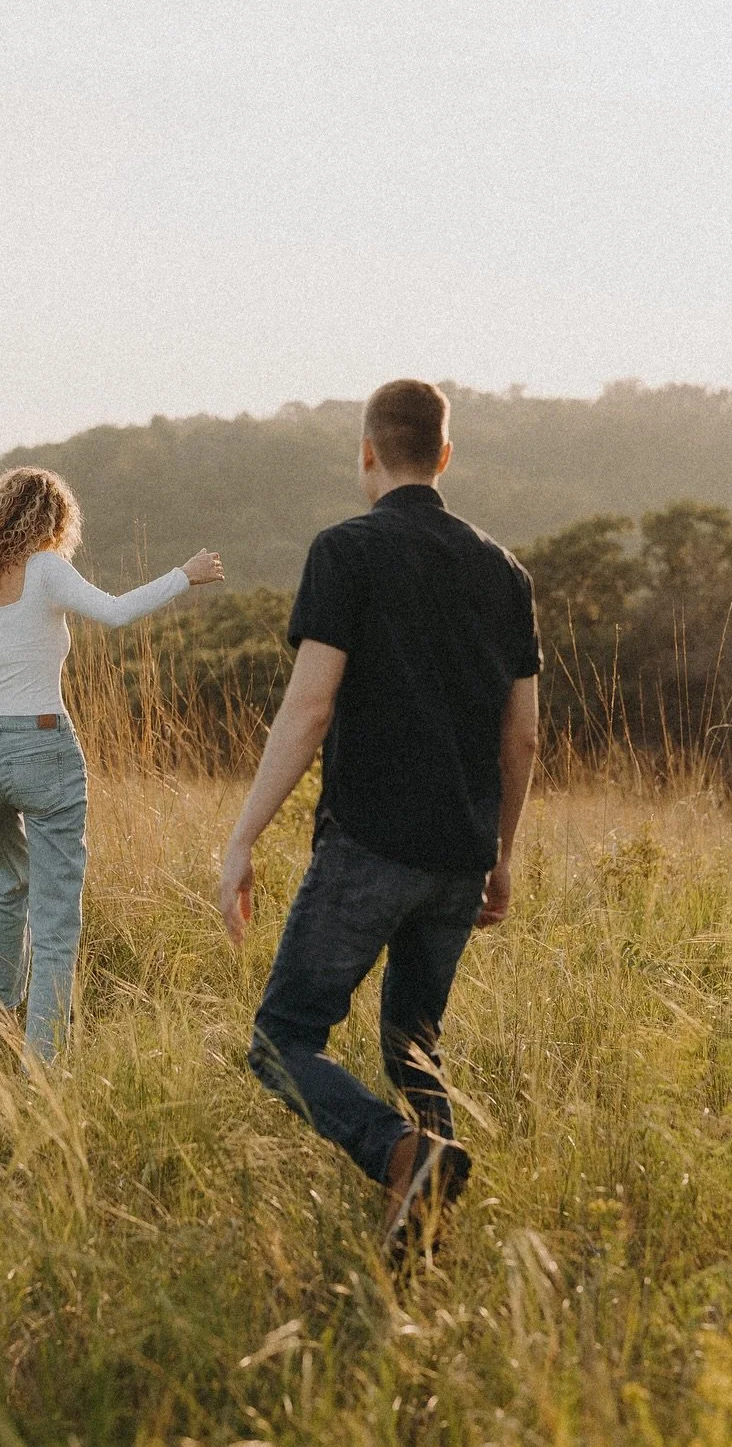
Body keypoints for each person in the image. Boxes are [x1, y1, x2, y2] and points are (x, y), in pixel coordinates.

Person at [217, 380, 540, 1259]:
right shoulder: (504, 571)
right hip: (460, 855)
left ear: (366, 452)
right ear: (444, 455)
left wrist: (242, 837)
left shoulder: (346, 551)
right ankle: (424, 1225)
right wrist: (501, 856)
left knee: (283, 1040)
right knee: (414, 1045)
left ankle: (404, 1156)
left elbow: (310, 707)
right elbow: (522, 736)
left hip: (369, 844)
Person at [0, 466, 223, 1060]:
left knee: (8, 883)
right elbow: (117, 613)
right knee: (55, 920)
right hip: (45, 746)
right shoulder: (46, 570)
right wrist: (186, 574)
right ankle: (44, 1066)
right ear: (53, 522)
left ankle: (3, 1013)